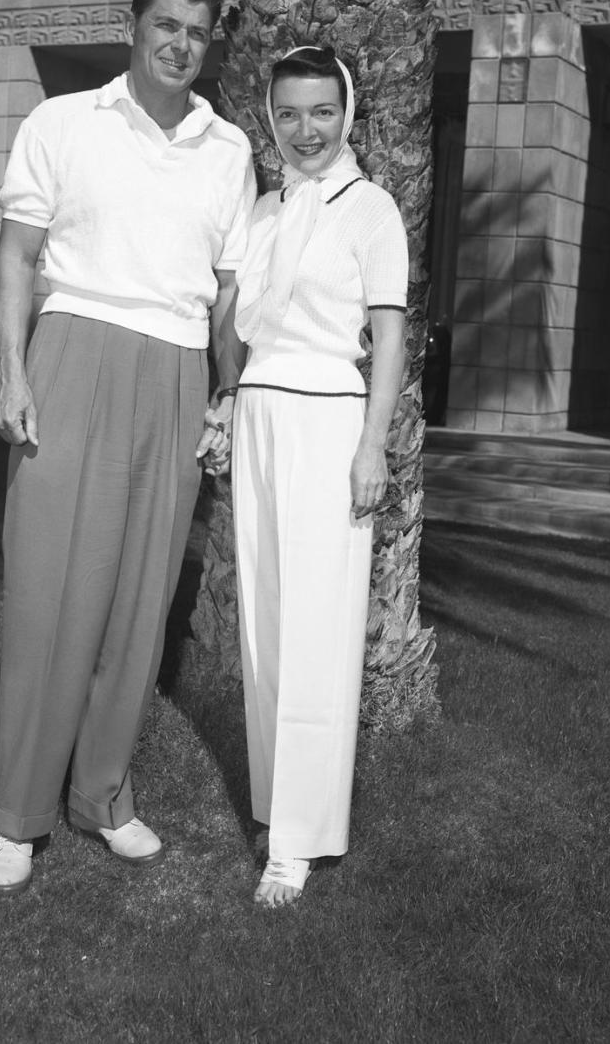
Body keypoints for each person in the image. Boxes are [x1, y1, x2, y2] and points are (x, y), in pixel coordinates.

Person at [0, 0, 255, 897]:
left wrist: (226, 393)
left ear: (210, 43)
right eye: (165, 25)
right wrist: (12, 371)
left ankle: (102, 795)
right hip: (72, 355)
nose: (179, 45)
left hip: (175, 372)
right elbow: (16, 257)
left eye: (196, 33)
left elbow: (224, 298)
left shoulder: (230, 150)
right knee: (51, 593)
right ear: (132, 26)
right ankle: (18, 813)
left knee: (139, 604)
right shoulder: (61, 124)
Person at [231, 46, 408, 907]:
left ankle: (298, 840)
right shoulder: (264, 208)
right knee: (265, 619)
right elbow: (243, 327)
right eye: (291, 113)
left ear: (349, 113)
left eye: (323, 113)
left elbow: (390, 337)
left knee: (317, 623)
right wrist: (225, 405)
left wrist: (372, 443)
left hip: (330, 417)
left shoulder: (371, 209)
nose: (308, 131)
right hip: (260, 413)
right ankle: (274, 804)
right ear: (273, 115)